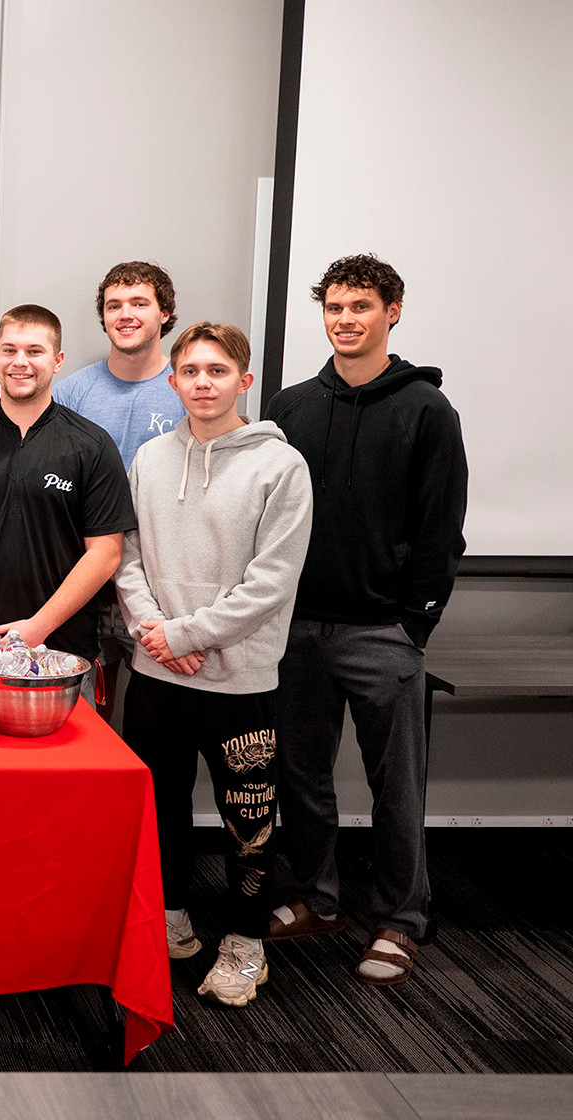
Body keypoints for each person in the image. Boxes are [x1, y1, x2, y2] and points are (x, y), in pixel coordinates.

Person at [264, 254, 468, 987]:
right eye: (335, 308)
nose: (346, 320)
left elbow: (442, 529)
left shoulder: (426, 411)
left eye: (361, 307)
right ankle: (318, 899)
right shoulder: (288, 409)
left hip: (383, 632)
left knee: (396, 786)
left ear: (393, 312)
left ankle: (400, 919)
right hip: (296, 631)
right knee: (302, 778)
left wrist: (413, 626)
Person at [115, 321, 313, 1007]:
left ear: (244, 381)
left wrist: (188, 631)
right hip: (156, 675)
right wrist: (160, 634)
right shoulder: (147, 461)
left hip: (240, 679)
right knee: (158, 807)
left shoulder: (280, 467)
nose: (202, 382)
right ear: (173, 381)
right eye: (190, 371)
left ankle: (245, 943)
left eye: (217, 371)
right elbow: (126, 557)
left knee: (247, 819)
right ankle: (170, 919)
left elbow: (272, 581)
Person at [0, 305, 135, 670]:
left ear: (57, 360)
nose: (19, 361)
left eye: (34, 351)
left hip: (62, 651)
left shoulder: (92, 445)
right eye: (9, 350)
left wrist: (35, 629)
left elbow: (106, 553)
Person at [54, 262, 186, 722]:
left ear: (164, 313)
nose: (125, 314)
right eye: (114, 305)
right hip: (82, 589)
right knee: (83, 724)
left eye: (139, 303)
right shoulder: (71, 394)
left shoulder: (188, 390)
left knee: (158, 728)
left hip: (158, 590)